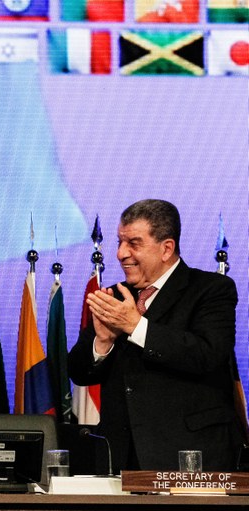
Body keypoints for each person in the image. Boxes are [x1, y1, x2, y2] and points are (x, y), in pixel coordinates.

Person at [68, 199, 243, 472]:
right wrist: (102, 342)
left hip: (190, 456)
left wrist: (136, 327)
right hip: (120, 459)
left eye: (133, 243)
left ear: (166, 248)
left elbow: (206, 354)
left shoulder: (212, 289)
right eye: (119, 242)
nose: (120, 254)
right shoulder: (116, 297)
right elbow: (79, 372)